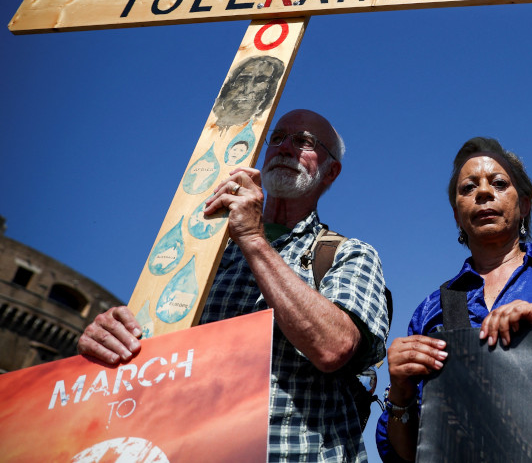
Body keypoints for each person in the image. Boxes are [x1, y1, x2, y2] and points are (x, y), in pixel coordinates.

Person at [78, 109, 390, 463]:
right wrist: (109, 344)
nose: (285, 148)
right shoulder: (201, 252)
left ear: (330, 171)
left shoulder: (347, 253)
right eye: (277, 138)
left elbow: (334, 347)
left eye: (304, 142)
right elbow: (152, 358)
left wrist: (254, 239)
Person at [376, 137, 532, 462]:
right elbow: (411, 454)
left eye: (498, 183)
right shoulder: (431, 310)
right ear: (456, 215)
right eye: (467, 188)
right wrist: (401, 393)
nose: (482, 193)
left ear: (525, 203)